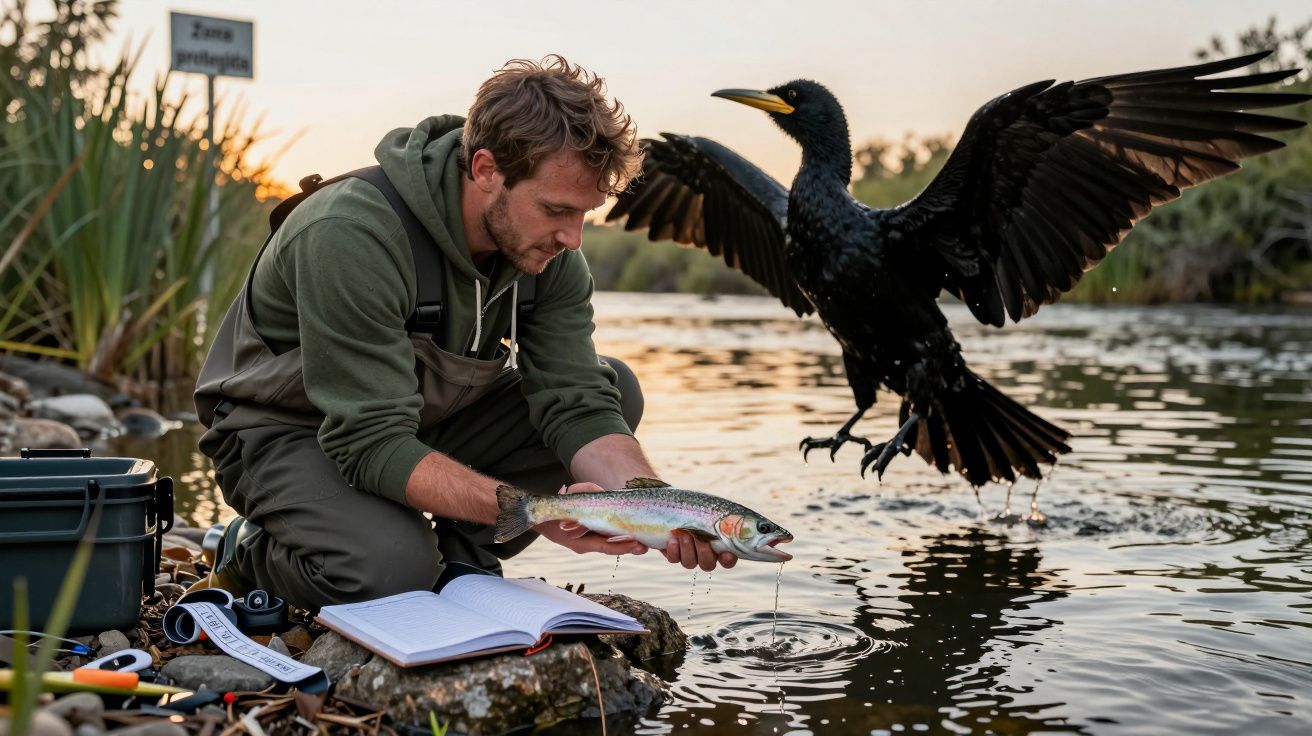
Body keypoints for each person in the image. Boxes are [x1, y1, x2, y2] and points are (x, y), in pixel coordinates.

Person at [192, 56, 737, 611]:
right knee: (390, 571)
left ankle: (463, 561)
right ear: (484, 169)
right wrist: (530, 509)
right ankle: (249, 550)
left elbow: (577, 404)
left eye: (585, 214)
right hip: (285, 433)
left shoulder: (550, 256)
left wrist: (665, 509)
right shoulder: (350, 233)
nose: (573, 238)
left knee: (615, 388)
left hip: (412, 425)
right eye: (555, 209)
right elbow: (370, 441)